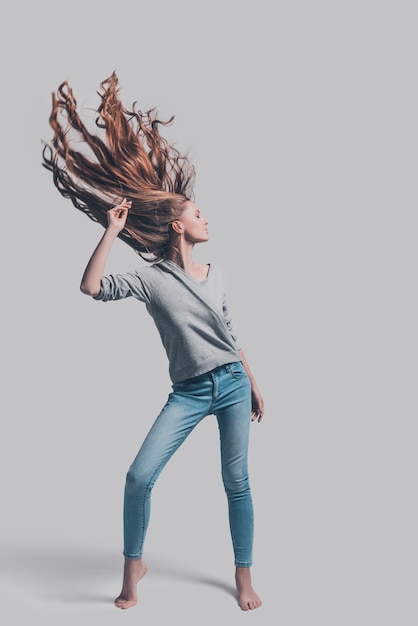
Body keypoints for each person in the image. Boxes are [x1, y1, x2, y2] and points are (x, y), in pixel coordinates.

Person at [42, 71, 264, 611]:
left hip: (232, 383)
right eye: (196, 213)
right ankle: (132, 568)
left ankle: (243, 577)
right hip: (188, 391)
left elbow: (231, 336)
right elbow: (91, 287)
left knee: (236, 481)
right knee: (139, 476)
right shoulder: (149, 278)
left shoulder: (220, 273)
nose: (205, 217)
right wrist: (112, 231)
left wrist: (255, 383)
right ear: (175, 225)